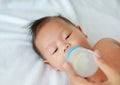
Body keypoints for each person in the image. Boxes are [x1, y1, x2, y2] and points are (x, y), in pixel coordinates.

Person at [29, 15, 120, 84]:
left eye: (67, 36)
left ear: (81, 32)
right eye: (55, 50)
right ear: (52, 65)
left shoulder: (106, 44)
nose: (65, 46)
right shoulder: (76, 82)